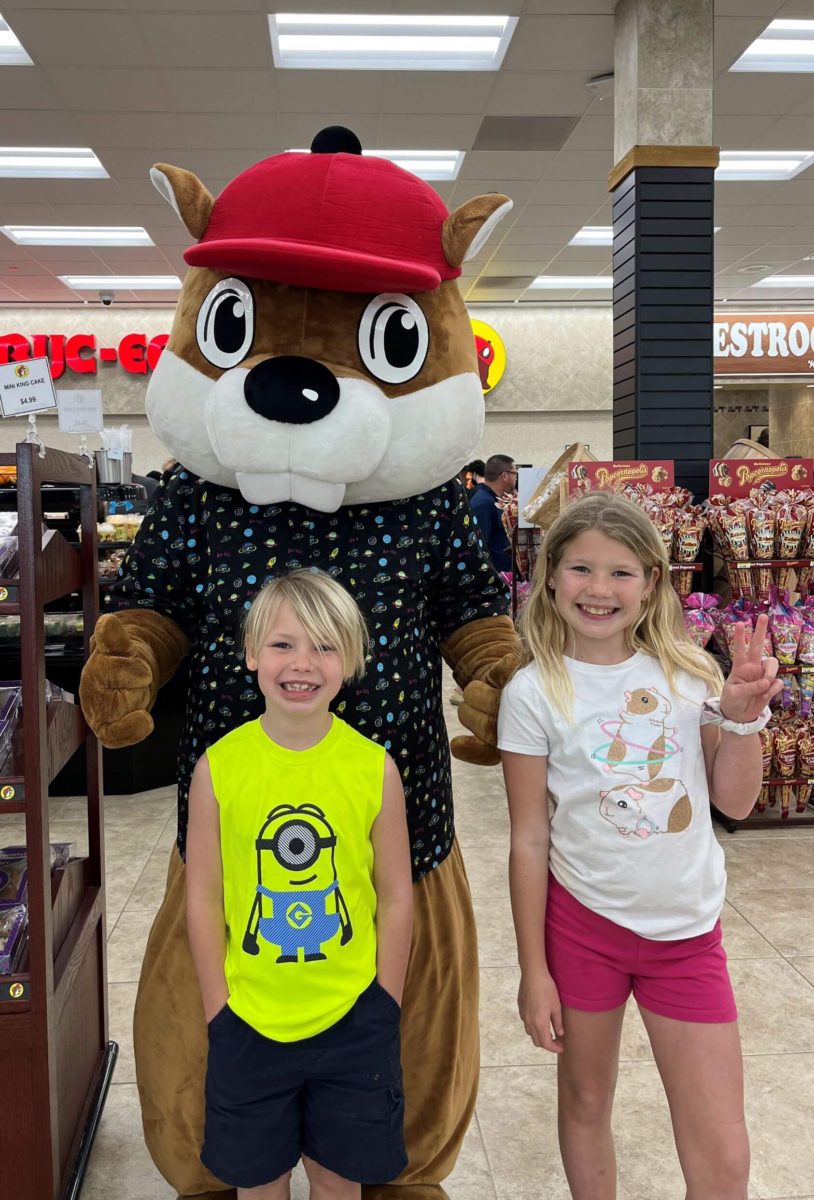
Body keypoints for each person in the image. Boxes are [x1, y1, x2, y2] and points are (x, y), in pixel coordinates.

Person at [497, 492, 781, 1200]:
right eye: (581, 569)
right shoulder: (533, 693)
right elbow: (529, 839)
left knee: (723, 1155)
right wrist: (534, 971)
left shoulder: (690, 673)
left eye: (622, 572)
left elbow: (734, 801)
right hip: (582, 931)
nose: (599, 589)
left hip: (687, 936)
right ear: (550, 575)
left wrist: (743, 721)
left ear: (653, 581)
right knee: (587, 1103)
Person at [186, 568, 413, 1199]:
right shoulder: (218, 768)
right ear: (252, 653)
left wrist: (383, 1000)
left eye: (325, 646)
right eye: (284, 644)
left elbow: (396, 895)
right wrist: (218, 1008)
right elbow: (203, 897)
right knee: (258, 1183)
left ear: (352, 661)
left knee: (339, 1181)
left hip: (354, 1019)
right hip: (248, 1021)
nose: (302, 663)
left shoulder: (374, 768)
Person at [469, 454, 517, 574]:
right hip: (495, 576)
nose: (516, 478)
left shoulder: (493, 500)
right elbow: (478, 547)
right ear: (504, 475)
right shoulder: (483, 503)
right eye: (515, 474)